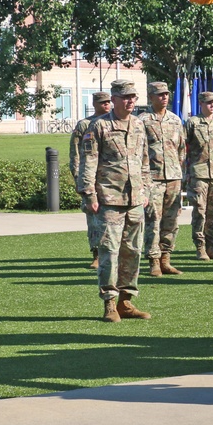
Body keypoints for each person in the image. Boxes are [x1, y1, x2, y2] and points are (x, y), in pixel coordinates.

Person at [77, 79, 152, 322]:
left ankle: (126, 301)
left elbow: (144, 161)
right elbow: (88, 162)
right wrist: (89, 194)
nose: (131, 101)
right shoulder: (99, 126)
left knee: (133, 251)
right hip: (109, 198)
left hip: (135, 198)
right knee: (109, 252)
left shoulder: (139, 125)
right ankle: (109, 302)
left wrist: (146, 191)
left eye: (134, 97)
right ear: (115, 99)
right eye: (126, 97)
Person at [139, 81, 187, 276]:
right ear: (151, 97)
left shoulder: (175, 120)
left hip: (174, 176)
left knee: (172, 220)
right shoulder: (142, 120)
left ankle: (166, 257)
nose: (164, 97)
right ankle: (154, 261)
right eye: (159, 94)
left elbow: (181, 149)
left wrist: (178, 168)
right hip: (153, 178)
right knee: (153, 220)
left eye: (166, 94)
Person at [69, 91, 111, 268]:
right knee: (94, 220)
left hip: (110, 180)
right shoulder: (85, 125)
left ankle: (111, 253)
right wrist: (81, 181)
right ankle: (96, 253)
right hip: (91, 180)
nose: (107, 105)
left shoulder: (113, 123)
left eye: (109, 102)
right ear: (95, 104)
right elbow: (76, 154)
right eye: (103, 102)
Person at [186, 91, 213, 260]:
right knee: (200, 211)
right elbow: (184, 147)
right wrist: (186, 172)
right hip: (198, 173)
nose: (212, 105)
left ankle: (211, 246)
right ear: (201, 104)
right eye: (208, 102)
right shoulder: (193, 123)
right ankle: (200, 247)